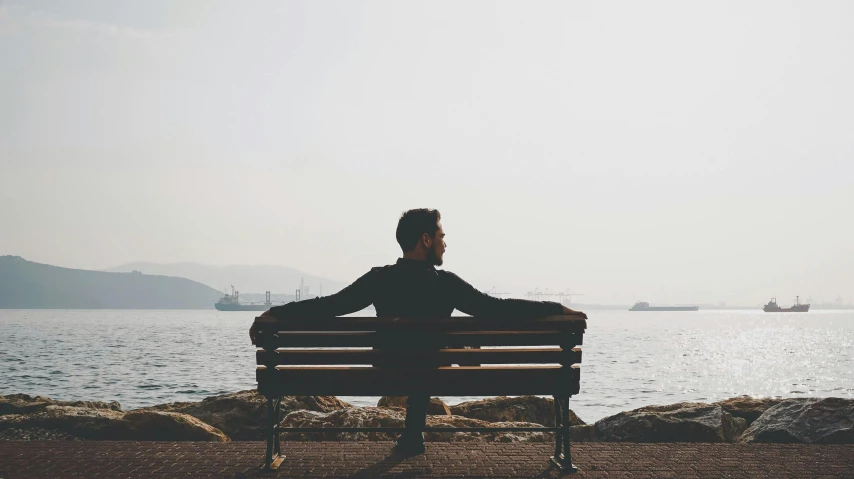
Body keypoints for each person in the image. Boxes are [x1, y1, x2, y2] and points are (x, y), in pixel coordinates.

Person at [249, 208, 586, 455]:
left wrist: (274, 313)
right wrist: (556, 310)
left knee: (415, 354)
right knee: (429, 356)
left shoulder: (378, 278)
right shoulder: (446, 284)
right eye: (441, 237)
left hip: (386, 372)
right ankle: (413, 435)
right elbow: (497, 309)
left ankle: (412, 438)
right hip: (432, 374)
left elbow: (329, 305)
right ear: (425, 239)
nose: (444, 244)